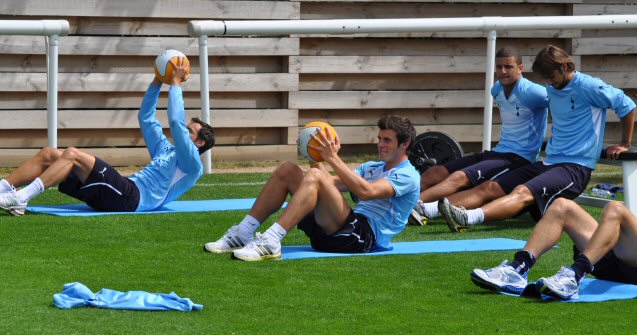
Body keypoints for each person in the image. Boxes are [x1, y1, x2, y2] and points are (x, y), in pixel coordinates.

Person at [439, 45, 636, 233]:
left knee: (522, 192)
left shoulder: (589, 86)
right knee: (492, 186)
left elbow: (627, 105)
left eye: (551, 76)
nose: (549, 82)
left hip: (574, 167)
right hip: (549, 162)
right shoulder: (551, 88)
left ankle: (468, 218)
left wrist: (625, 143)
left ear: (565, 66)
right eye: (545, 78)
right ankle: (431, 210)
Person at [0, 56, 215, 215]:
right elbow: (146, 118)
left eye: (190, 131)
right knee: (49, 154)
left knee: (73, 154)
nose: (184, 132)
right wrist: (157, 82)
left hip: (132, 199)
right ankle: (2, 189)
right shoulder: (167, 150)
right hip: (120, 191)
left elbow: (176, 123)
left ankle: (21, 198)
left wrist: (176, 84)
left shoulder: (193, 164)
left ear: (200, 142)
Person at [204, 114, 420, 261]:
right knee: (288, 170)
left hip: (360, 238)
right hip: (336, 229)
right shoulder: (371, 167)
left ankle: (271, 241)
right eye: (380, 138)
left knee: (316, 176)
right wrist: (314, 155)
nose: (381, 144)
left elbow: (367, 192)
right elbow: (328, 185)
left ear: (405, 144)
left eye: (388, 140)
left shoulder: (408, 175)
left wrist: (333, 158)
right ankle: (243, 233)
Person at [409, 46, 548, 226]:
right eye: (499, 67)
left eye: (509, 67)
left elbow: (561, 104)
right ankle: (396, 199)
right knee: (437, 171)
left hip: (518, 157)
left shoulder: (533, 92)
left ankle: (407, 207)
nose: (503, 71)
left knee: (459, 178)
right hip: (497, 152)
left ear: (521, 68)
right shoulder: (496, 89)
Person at [470, 198, 637, 300]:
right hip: (608, 259)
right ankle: (518, 269)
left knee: (616, 208)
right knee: (562, 206)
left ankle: (574, 275)